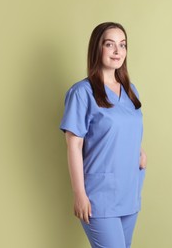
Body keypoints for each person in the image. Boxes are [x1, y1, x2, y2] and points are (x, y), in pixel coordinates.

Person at [60, 22, 147, 248]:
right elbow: (74, 145)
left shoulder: (130, 90)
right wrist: (79, 193)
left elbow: (126, 129)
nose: (118, 51)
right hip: (100, 195)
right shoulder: (81, 93)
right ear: (97, 48)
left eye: (123, 45)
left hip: (130, 190)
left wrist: (140, 155)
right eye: (110, 44)